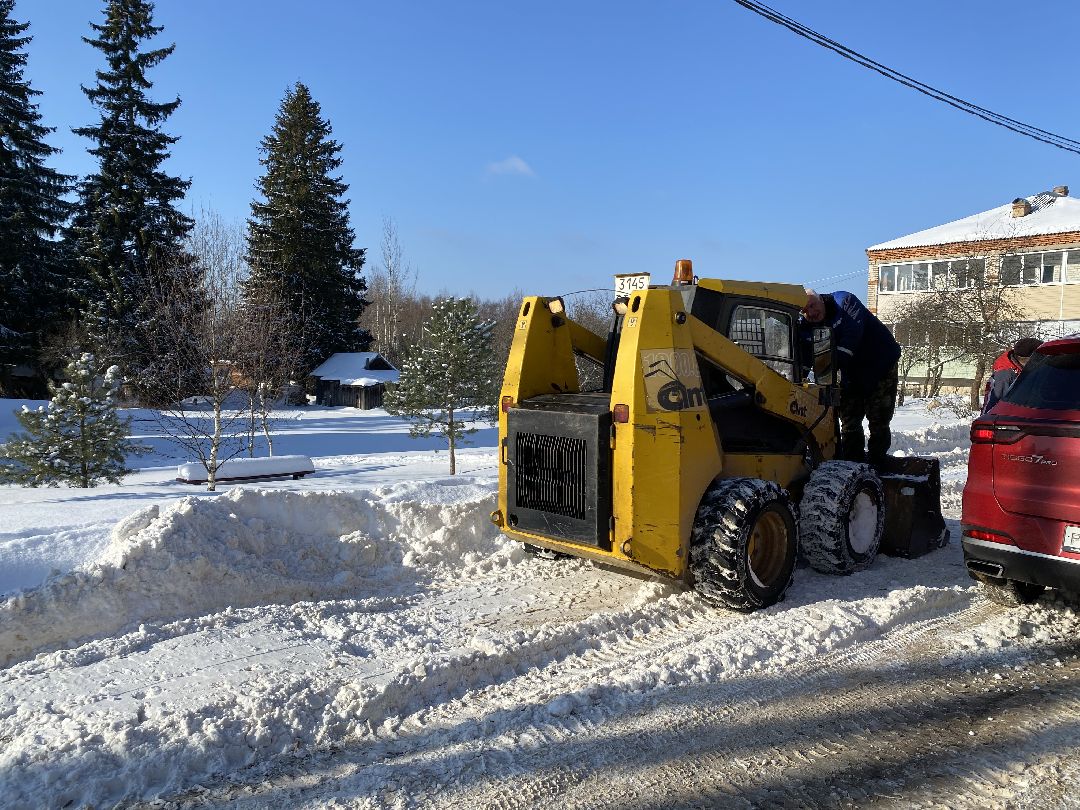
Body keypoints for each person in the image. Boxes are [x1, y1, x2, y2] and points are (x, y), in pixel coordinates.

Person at [801, 289, 901, 465]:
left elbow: (851, 338)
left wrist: (827, 367)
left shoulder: (845, 302)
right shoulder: (806, 325)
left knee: (878, 417)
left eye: (812, 305)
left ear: (821, 300)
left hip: (880, 364)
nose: (811, 312)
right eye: (805, 310)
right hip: (850, 370)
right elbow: (806, 355)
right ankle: (852, 463)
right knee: (849, 419)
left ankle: (877, 462)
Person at [982, 337, 1041, 413]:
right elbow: (991, 406)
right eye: (1040, 358)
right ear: (1030, 360)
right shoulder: (1004, 375)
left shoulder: (1023, 371)